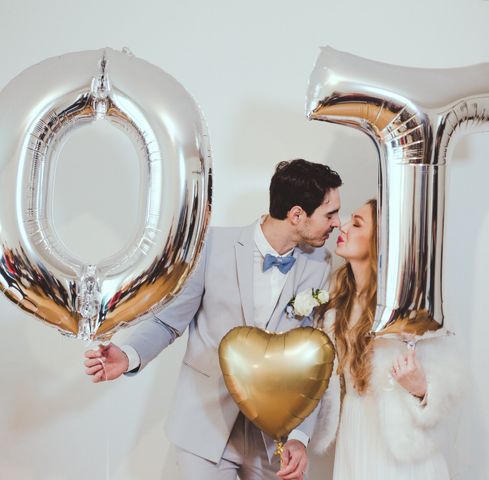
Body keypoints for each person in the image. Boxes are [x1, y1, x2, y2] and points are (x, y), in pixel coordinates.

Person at [84, 159, 342, 480]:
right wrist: (129, 355)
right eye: (330, 214)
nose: (337, 223)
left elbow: (312, 362)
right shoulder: (211, 246)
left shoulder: (320, 263)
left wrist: (299, 437)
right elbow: (168, 321)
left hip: (274, 438)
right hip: (204, 425)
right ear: (297, 214)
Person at [311, 199, 467, 480]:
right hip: (354, 435)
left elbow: (451, 382)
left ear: (382, 241)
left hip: (403, 449)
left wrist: (422, 389)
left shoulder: (416, 302)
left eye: (357, 223)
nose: (343, 226)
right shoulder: (335, 303)